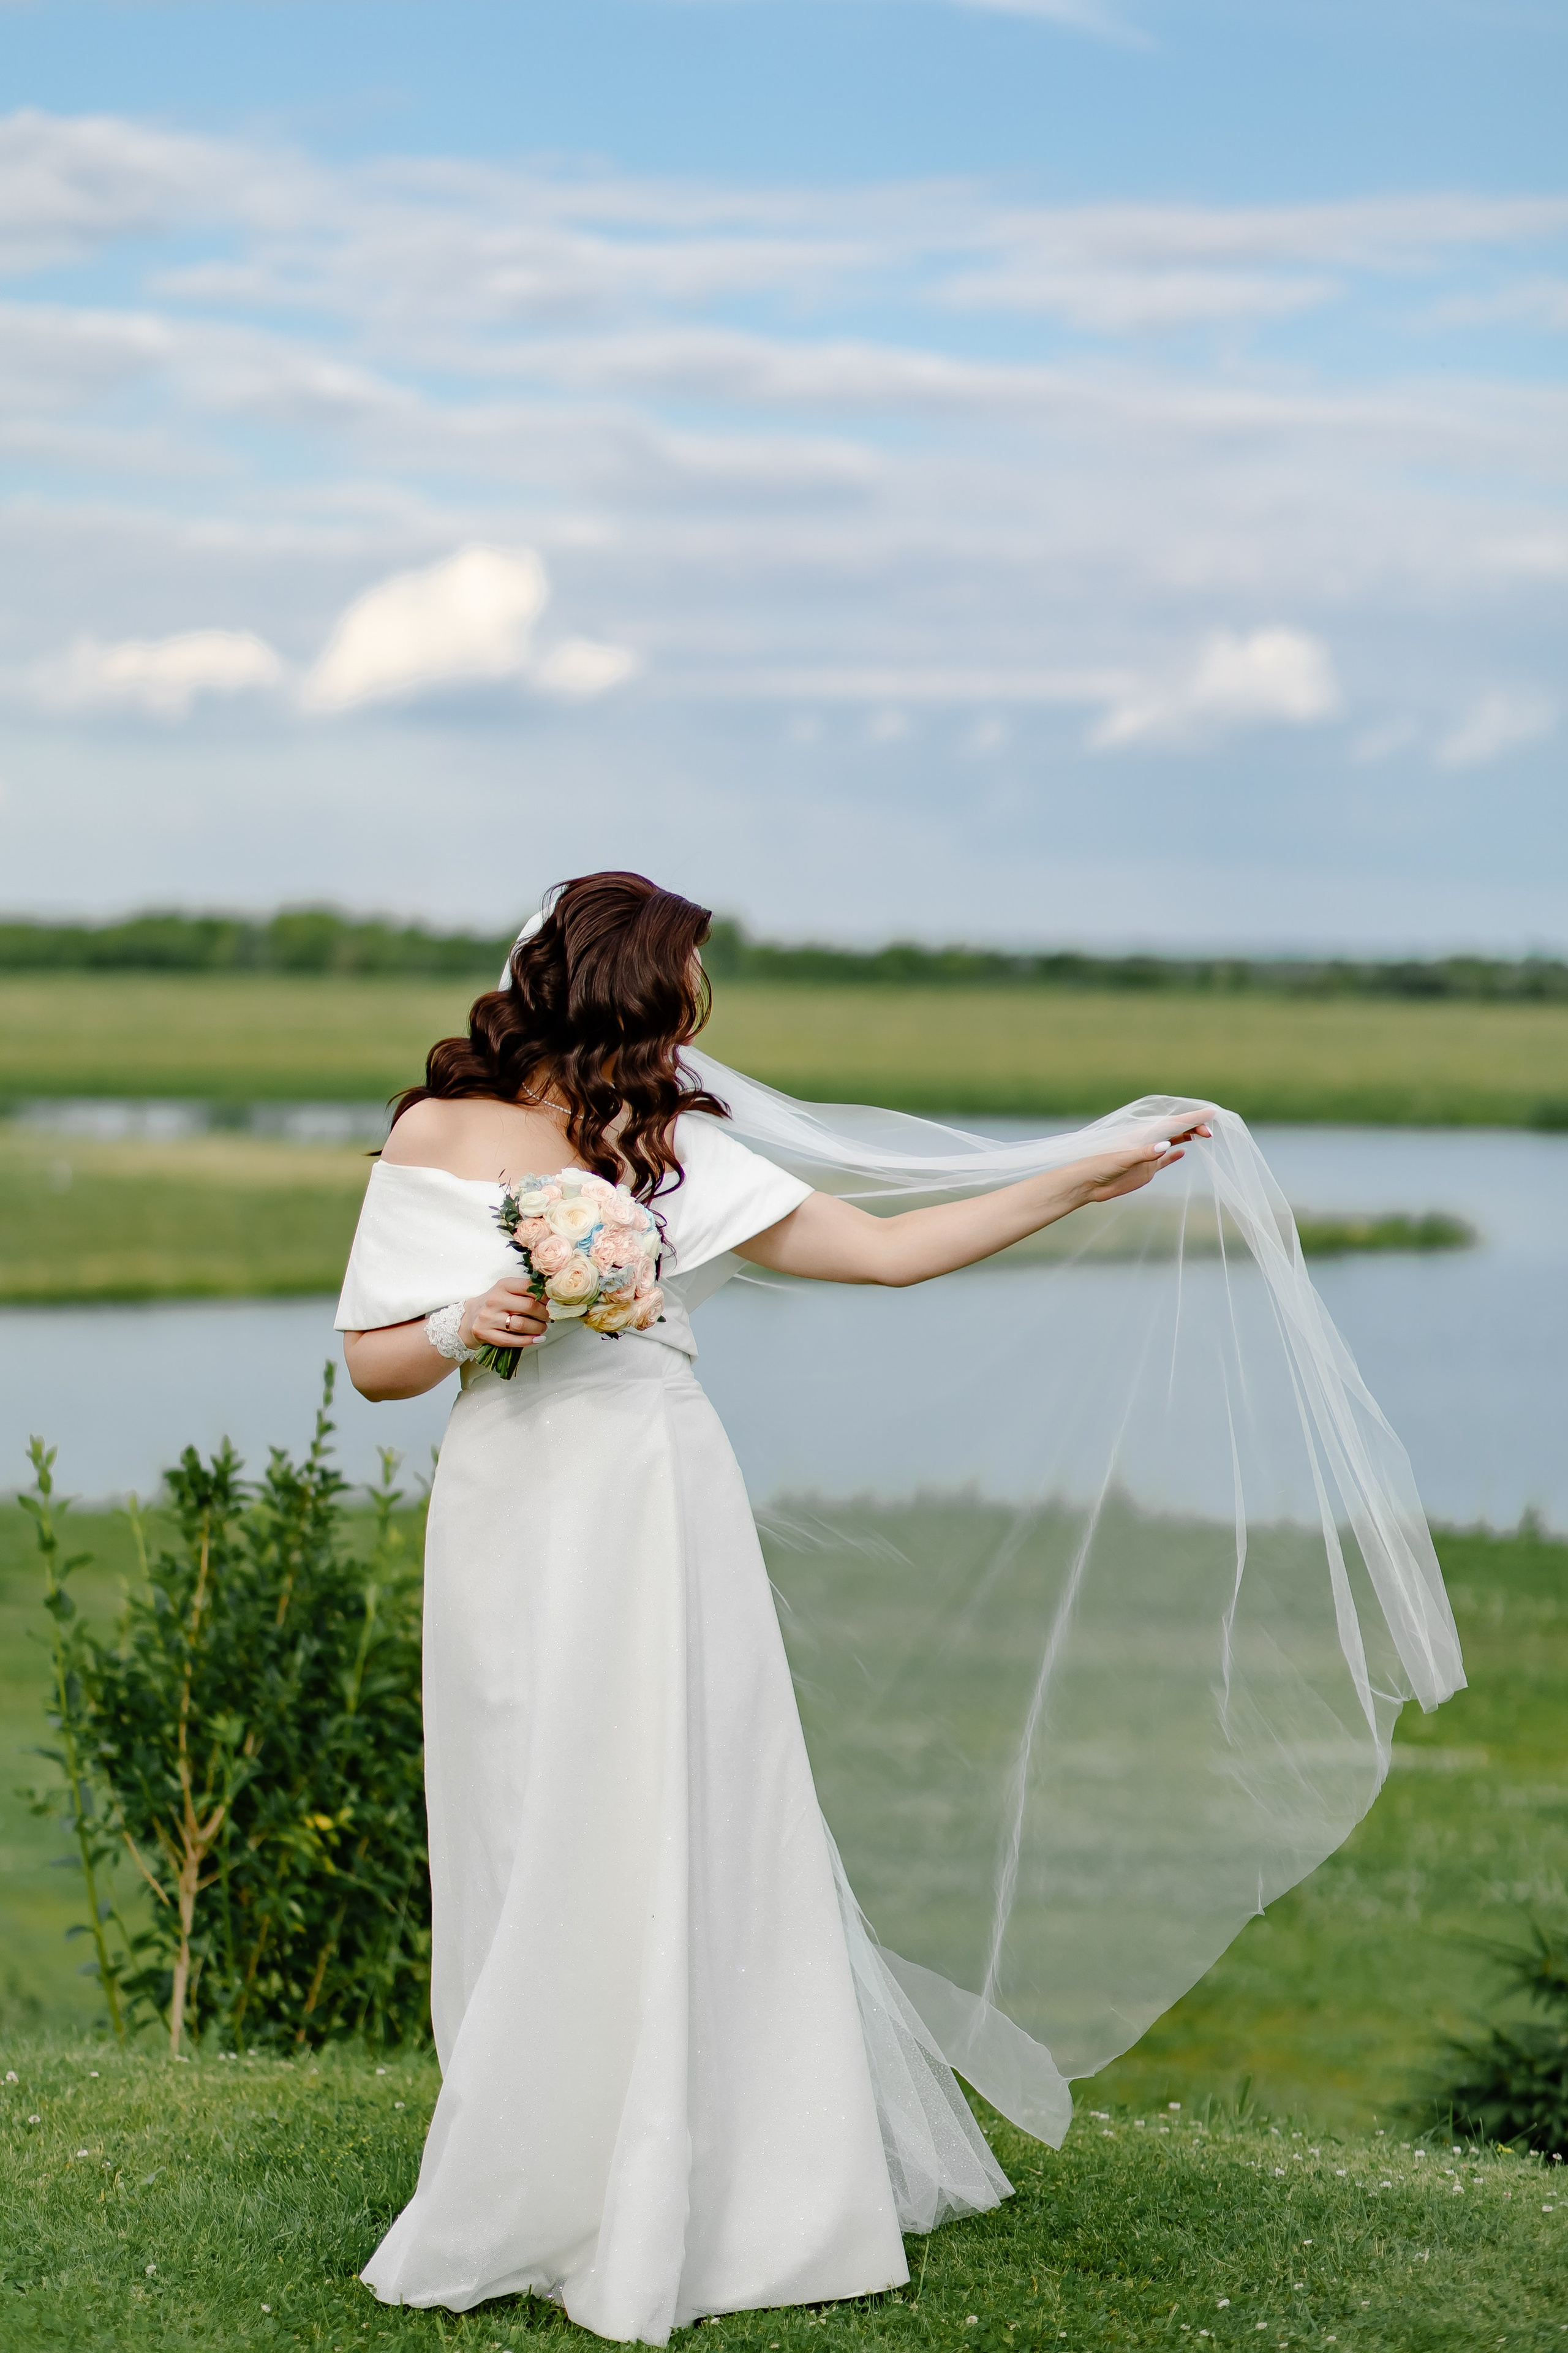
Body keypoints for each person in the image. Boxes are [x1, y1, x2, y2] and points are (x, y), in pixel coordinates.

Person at [337, 871, 1211, 2342]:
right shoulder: (442, 1132)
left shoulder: (677, 1141)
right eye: (684, 974)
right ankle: (535, 2167)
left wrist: (1078, 1173)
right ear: (624, 983)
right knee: (529, 1807)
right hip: (514, 1510)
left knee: (691, 1800)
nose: (699, 1003)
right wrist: (457, 1320)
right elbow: (370, 1362)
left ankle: (719, 2169)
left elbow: (880, 1251)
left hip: (656, 1495)